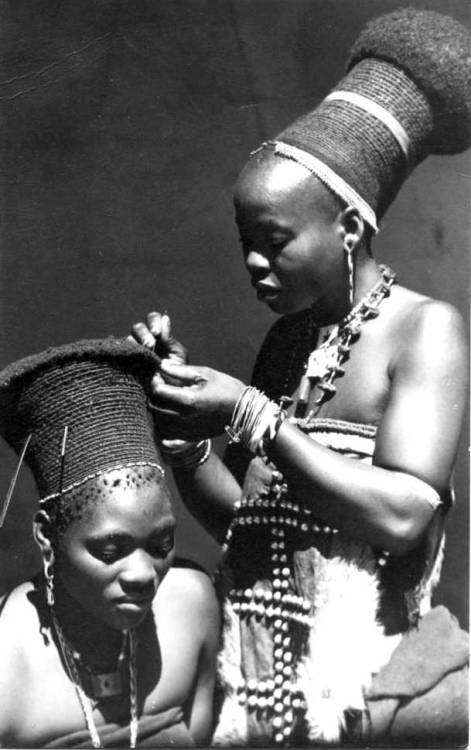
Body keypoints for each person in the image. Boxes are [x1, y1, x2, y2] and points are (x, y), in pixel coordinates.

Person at [129, 8, 470, 747]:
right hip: (268, 688)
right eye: (245, 243)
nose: (254, 263)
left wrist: (254, 417)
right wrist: (186, 438)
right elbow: (245, 524)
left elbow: (402, 518)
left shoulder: (426, 331)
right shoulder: (290, 342)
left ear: (347, 228)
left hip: (378, 695)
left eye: (275, 241)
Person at [0, 338, 219, 748]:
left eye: (161, 544)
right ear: (47, 535)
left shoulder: (190, 605)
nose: (142, 575)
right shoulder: (7, 663)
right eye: (110, 551)